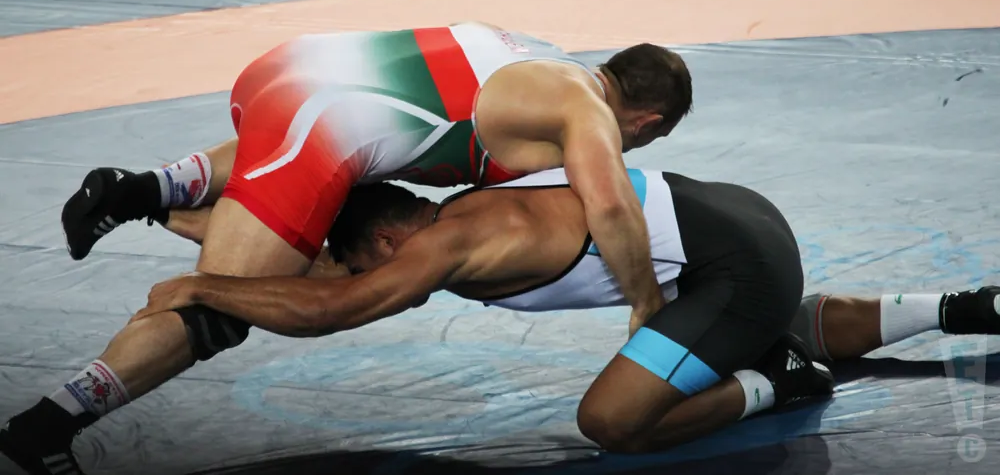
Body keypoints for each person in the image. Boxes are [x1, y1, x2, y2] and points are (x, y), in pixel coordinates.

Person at [1, 25, 692, 475]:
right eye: (643, 141)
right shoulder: (585, 110)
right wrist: (643, 302)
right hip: (317, 128)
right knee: (224, 306)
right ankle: (43, 429)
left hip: (290, 68)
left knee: (289, 210)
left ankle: (146, 189)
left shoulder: (537, 52)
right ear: (646, 120)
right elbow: (609, 205)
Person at [57, 169, 1000, 457]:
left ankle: (775, 381)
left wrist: (200, 290)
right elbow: (300, 262)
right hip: (733, 217)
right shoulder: (435, 213)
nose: (338, 266)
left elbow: (334, 307)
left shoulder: (450, 243)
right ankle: (960, 307)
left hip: (734, 262)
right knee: (753, 305)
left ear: (384, 242)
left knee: (612, 421)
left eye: (353, 256)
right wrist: (154, 210)